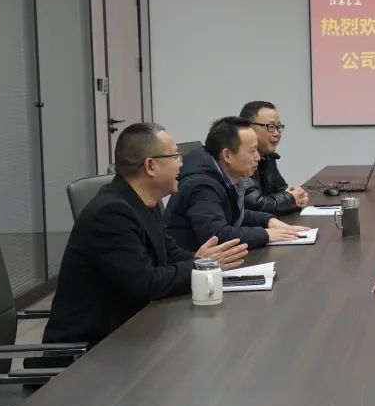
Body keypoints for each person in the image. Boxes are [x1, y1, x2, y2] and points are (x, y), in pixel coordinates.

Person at [36, 123, 249, 351]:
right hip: (89, 352)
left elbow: (170, 254)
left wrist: (205, 262)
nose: (181, 163)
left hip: (130, 333)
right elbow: (146, 283)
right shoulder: (111, 213)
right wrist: (201, 265)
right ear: (150, 166)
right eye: (175, 156)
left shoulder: (145, 201)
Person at [165, 116, 309, 251]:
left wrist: (268, 220)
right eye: (252, 151)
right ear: (227, 155)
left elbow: (233, 214)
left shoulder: (223, 176)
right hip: (191, 265)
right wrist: (266, 234)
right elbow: (217, 236)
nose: (258, 157)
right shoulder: (201, 185)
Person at [238, 100, 308, 214]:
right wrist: (290, 199)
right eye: (270, 127)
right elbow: (254, 205)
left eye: (278, 127)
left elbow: (282, 190)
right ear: (249, 128)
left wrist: (297, 195)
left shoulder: (267, 157)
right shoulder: (239, 158)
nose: (277, 133)